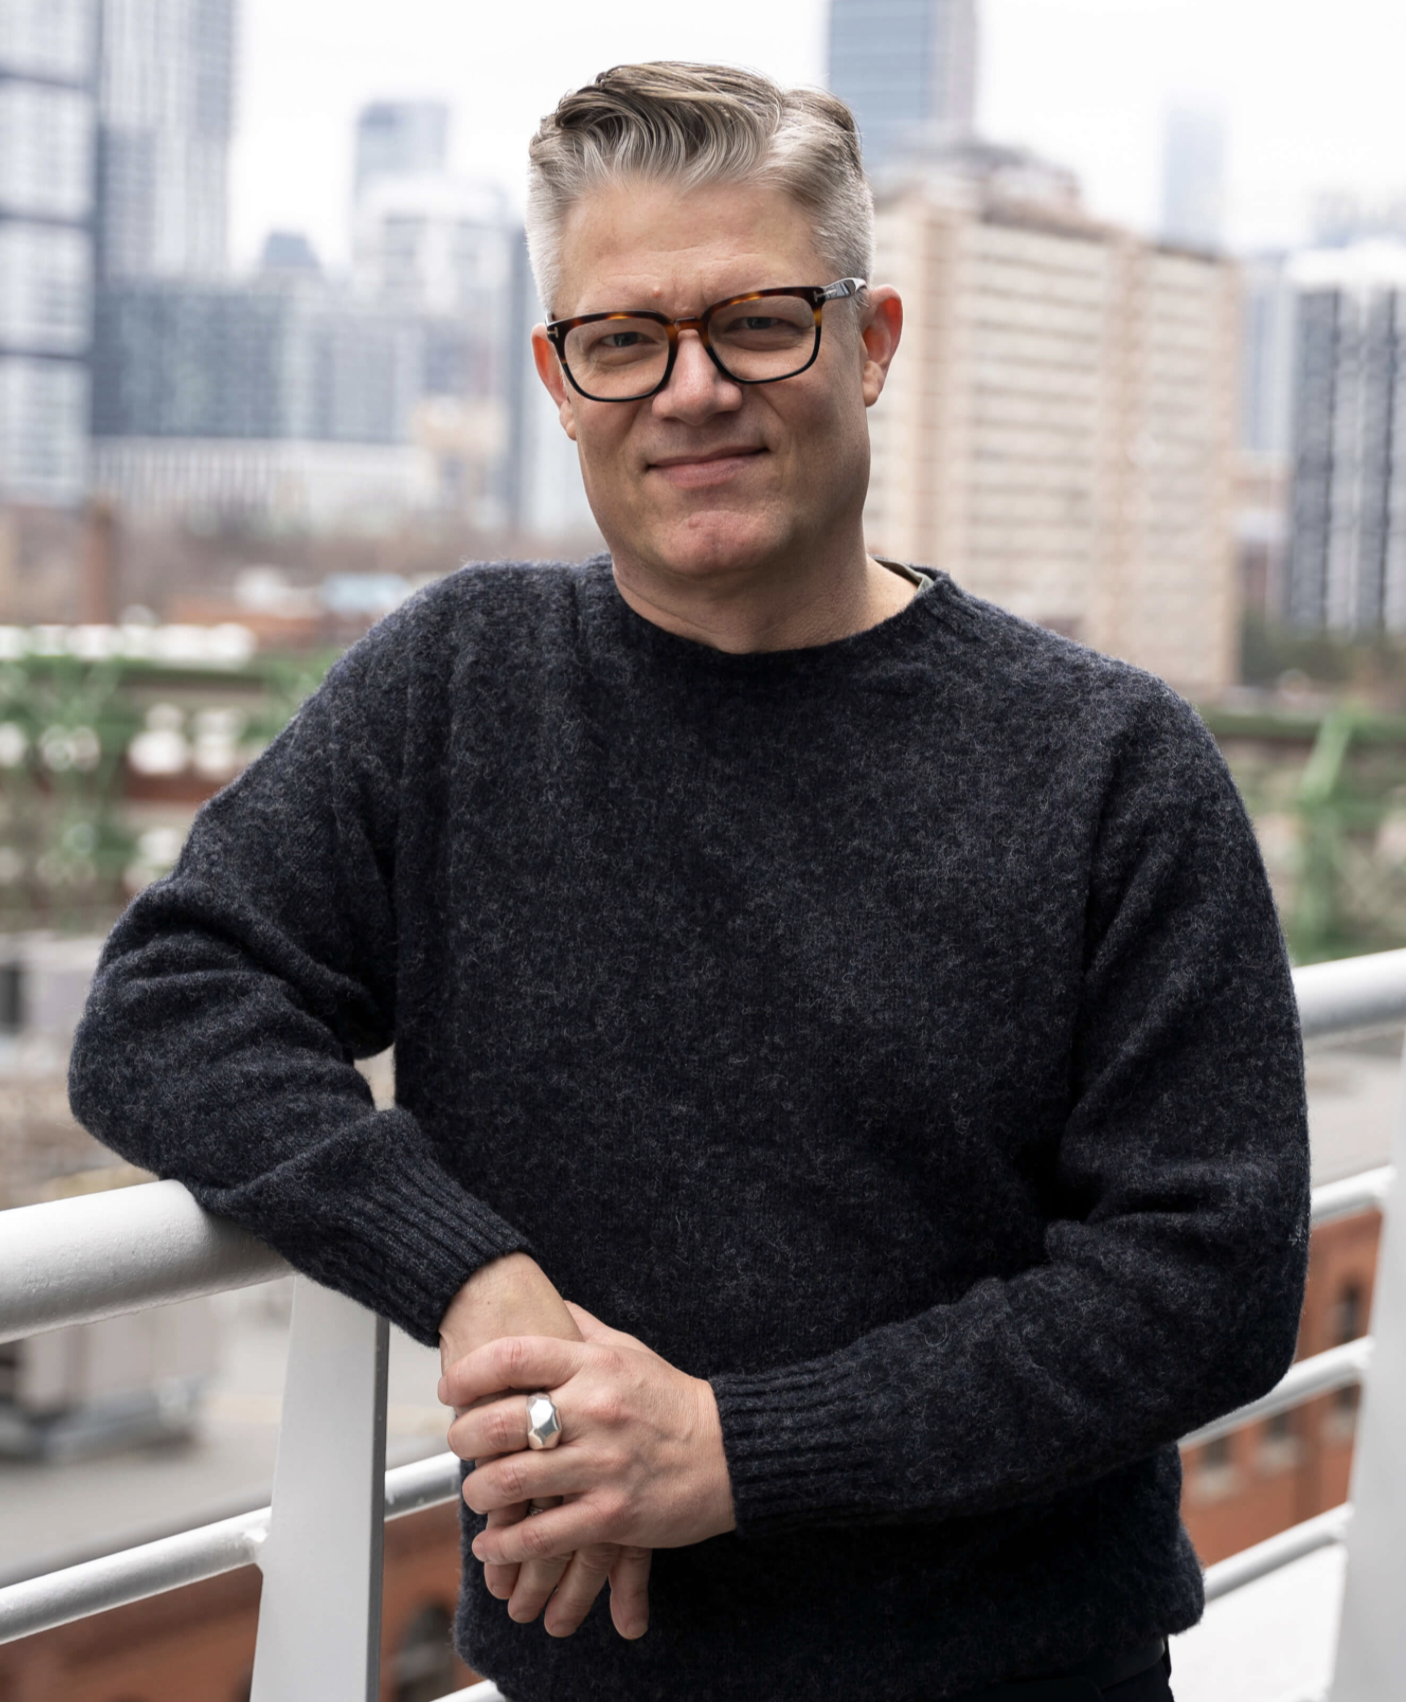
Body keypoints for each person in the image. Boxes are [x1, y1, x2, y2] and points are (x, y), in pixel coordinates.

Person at [69, 61, 1310, 1702]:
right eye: (624, 339)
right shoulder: (459, 685)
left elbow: (1209, 1277)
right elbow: (165, 1004)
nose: (692, 388)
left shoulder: (1108, 762)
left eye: (759, 323)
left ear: (870, 342)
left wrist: (736, 1448)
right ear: (557, 379)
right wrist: (469, 1275)